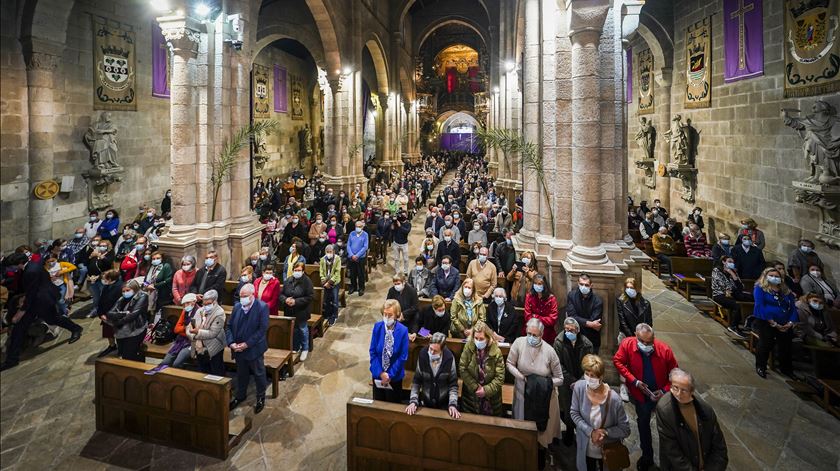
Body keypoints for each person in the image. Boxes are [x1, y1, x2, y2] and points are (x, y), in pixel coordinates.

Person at [0, 254, 84, 370]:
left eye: (11, 266)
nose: (10, 269)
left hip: (41, 301)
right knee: (19, 329)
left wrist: (21, 311)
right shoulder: (33, 265)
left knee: (53, 319)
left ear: (19, 264)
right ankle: (12, 359)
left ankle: (76, 329)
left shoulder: (31, 271)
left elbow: (32, 293)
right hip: (38, 300)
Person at [613, 323, 678, 471]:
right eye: (642, 341)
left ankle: (668, 462)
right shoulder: (627, 344)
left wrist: (664, 390)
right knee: (643, 423)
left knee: (667, 428)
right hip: (641, 395)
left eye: (649, 342)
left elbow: (675, 374)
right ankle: (647, 456)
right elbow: (618, 361)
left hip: (663, 397)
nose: (646, 345)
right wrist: (634, 381)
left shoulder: (665, 350)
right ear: (636, 336)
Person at [507, 318, 564, 469]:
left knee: (540, 436)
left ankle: (540, 459)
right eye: (529, 334)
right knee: (523, 429)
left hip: (543, 399)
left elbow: (560, 378)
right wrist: (521, 377)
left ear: (541, 335)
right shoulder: (519, 343)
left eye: (535, 335)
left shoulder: (550, 351)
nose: (531, 337)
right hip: (522, 393)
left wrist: (544, 383)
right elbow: (509, 363)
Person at [656, 368, 728, 471]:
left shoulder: (706, 410)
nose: (679, 394)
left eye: (684, 390)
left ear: (692, 391)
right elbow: (672, 451)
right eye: (675, 387)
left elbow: (719, 447)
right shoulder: (665, 410)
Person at [570, 354, 631, 471]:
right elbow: (574, 413)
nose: (588, 379)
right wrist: (591, 432)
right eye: (586, 374)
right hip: (585, 448)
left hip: (608, 450)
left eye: (592, 376)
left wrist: (605, 432)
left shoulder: (614, 400)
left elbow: (625, 429)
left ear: (601, 376)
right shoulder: (579, 388)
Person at [226, 283, 269, 414]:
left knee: (259, 373)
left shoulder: (262, 307)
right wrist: (231, 343)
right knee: (241, 373)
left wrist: (247, 344)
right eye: (241, 296)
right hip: (238, 348)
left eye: (245, 296)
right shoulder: (237, 307)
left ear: (252, 295)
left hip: (254, 348)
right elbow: (229, 326)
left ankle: (260, 397)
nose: (242, 299)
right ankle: (240, 395)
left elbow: (262, 330)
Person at [554, 318, 594, 445]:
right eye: (566, 329)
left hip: (582, 381)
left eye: (571, 330)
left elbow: (590, 365)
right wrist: (571, 380)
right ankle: (569, 431)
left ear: (577, 330)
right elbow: (558, 364)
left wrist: (580, 381)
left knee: (581, 408)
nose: (568, 332)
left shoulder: (587, 344)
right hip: (566, 381)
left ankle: (582, 431)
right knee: (567, 407)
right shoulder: (559, 342)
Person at [752, 267, 797, 378]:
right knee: (766, 343)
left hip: (785, 323)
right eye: (771, 276)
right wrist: (773, 323)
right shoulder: (760, 288)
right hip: (766, 321)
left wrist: (791, 322)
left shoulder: (785, 291)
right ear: (765, 276)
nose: (774, 278)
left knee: (786, 346)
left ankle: (786, 369)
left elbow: (793, 308)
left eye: (777, 276)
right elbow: (759, 306)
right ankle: (761, 366)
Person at [405, 332, 461, 419]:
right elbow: (417, 381)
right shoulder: (423, 355)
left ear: (442, 350)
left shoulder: (449, 358)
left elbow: (453, 384)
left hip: (444, 404)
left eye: (435, 351)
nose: (431, 352)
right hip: (426, 401)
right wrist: (413, 401)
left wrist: (453, 404)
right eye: (430, 349)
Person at [459, 321, 505, 417]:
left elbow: (500, 377)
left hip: (491, 399)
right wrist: (476, 387)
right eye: (476, 338)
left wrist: (486, 390)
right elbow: (463, 369)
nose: (478, 341)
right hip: (471, 397)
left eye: (481, 339)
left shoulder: (496, 352)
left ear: (488, 338)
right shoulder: (468, 347)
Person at [369, 299, 409, 403]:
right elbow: (373, 352)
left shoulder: (403, 330)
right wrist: (381, 373)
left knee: (393, 405)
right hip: (378, 375)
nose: (387, 317)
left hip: (394, 377)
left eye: (390, 315)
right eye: (385, 314)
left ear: (396, 315)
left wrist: (389, 375)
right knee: (378, 404)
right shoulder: (377, 327)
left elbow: (403, 356)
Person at [149, 292, 199, 373]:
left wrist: (185, 330)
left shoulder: (199, 313)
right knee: (165, 362)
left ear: (194, 302)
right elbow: (176, 329)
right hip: (180, 340)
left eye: (187, 303)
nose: (185, 306)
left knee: (177, 364)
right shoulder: (185, 311)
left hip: (192, 343)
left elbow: (194, 334)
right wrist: (185, 328)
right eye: (183, 304)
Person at [105, 279, 149, 361]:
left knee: (129, 355)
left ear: (135, 289)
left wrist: (117, 322)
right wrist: (124, 313)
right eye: (123, 291)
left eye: (128, 290)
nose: (125, 293)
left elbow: (133, 315)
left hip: (135, 329)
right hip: (121, 330)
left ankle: (138, 365)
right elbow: (109, 313)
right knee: (122, 353)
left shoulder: (143, 296)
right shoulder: (121, 299)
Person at [281, 261, 315, 359]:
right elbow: (281, 294)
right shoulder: (289, 280)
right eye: (295, 270)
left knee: (302, 329)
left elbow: (310, 297)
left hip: (301, 310)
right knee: (294, 330)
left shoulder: (307, 281)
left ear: (303, 271)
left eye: (299, 270)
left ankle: (305, 348)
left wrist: (295, 301)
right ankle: (296, 347)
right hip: (289, 310)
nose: (297, 272)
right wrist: (286, 300)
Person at [711, 256, 750, 338]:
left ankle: (748, 323)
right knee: (737, 306)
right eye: (729, 261)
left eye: (732, 262)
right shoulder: (716, 270)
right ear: (723, 262)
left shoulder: (733, 272)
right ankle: (733, 326)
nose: (732, 264)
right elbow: (723, 285)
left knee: (751, 298)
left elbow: (741, 287)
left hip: (733, 294)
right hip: (719, 295)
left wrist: (732, 274)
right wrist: (732, 288)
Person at [566, 273, 604, 354]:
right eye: (581, 284)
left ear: (591, 285)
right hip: (575, 337)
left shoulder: (598, 301)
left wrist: (579, 321)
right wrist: (590, 324)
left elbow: (595, 322)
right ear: (578, 283)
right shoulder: (571, 295)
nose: (583, 287)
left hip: (592, 340)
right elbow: (572, 316)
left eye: (586, 285)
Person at [523, 274, 559, 344]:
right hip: (531, 329)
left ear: (544, 285)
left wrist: (536, 316)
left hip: (547, 332)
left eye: (539, 284)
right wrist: (543, 319)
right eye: (535, 283)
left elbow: (552, 319)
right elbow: (527, 317)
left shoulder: (551, 299)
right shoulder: (529, 296)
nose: (537, 285)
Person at [320, 244, 342, 326]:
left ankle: (334, 316)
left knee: (335, 300)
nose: (329, 253)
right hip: (325, 282)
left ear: (333, 252)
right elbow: (321, 271)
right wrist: (324, 281)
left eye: (330, 251)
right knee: (326, 300)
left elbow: (337, 272)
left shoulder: (337, 259)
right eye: (327, 252)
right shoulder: (323, 259)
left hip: (334, 282)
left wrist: (330, 282)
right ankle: (327, 315)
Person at [347, 220, 369, 296]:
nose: (358, 228)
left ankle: (361, 288)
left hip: (360, 257)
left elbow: (365, 247)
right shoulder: (351, 233)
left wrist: (357, 255)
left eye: (359, 226)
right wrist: (351, 255)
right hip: (351, 257)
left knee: (360, 274)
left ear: (362, 227)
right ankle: (353, 287)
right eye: (356, 226)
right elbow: (348, 245)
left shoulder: (365, 235)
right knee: (352, 273)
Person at [392, 210, 411, 276]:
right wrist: (393, 224)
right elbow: (392, 230)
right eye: (401, 215)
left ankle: (406, 271)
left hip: (404, 244)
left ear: (406, 216)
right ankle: (397, 271)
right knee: (396, 259)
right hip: (396, 243)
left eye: (404, 215)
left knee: (405, 259)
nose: (402, 217)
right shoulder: (397, 222)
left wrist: (400, 226)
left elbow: (406, 231)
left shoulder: (408, 224)